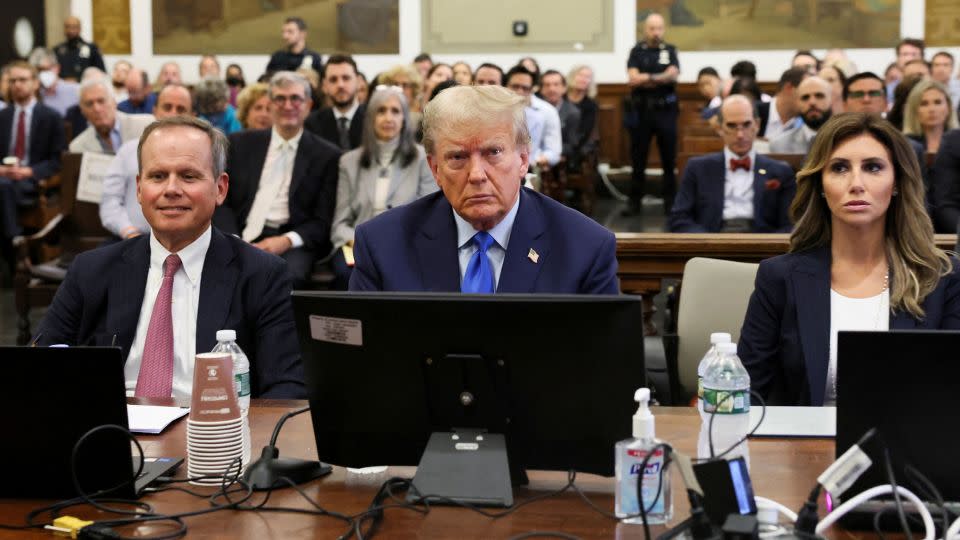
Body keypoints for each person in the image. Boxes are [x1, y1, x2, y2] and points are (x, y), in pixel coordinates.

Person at [36, 115, 305, 399]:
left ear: (220, 188)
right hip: (112, 432)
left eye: (188, 176)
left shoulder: (262, 275)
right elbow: (37, 367)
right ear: (139, 189)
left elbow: (286, 391)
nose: (171, 190)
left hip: (213, 435)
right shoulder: (91, 270)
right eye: (158, 176)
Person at [739, 112, 960, 407]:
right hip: (801, 448)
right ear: (820, 183)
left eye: (872, 167)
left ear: (896, 182)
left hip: (907, 448)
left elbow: (950, 396)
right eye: (840, 168)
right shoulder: (779, 277)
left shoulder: (942, 278)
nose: (856, 183)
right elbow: (747, 394)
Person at [348, 85, 618, 294]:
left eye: (493, 152)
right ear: (435, 169)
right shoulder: (383, 244)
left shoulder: (585, 247)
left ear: (523, 160)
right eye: (457, 157)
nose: (476, 175)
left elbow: (605, 361)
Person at [215, 71, 340, 289]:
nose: (287, 105)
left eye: (295, 99)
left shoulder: (327, 155)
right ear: (271, 105)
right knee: (218, 271)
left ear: (308, 105)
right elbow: (221, 201)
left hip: (290, 242)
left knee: (285, 278)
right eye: (280, 98)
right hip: (239, 233)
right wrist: (233, 238)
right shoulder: (240, 144)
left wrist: (285, 241)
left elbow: (322, 221)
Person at [330, 86, 437, 289]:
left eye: (395, 111)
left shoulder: (423, 159)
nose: (388, 118)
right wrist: (360, 241)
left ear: (405, 118)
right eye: (381, 111)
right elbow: (340, 224)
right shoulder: (348, 162)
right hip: (357, 245)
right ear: (370, 118)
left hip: (406, 244)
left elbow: (429, 217)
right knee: (345, 274)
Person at [669, 95, 796, 233]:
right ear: (719, 128)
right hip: (710, 243)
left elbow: (790, 224)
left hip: (763, 247)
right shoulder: (697, 168)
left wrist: (768, 247)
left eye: (746, 124)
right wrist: (706, 243)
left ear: (757, 125)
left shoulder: (781, 171)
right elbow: (679, 218)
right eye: (731, 125)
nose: (740, 134)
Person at [100, 84, 194, 241]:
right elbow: (110, 201)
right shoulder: (129, 151)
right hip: (130, 238)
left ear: (192, 116)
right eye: (167, 107)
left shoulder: (202, 156)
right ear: (155, 111)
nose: (173, 114)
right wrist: (129, 232)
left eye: (181, 109)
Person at [0, 61, 65, 265]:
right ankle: (18, 244)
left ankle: (15, 252)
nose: (17, 85)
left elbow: (58, 160)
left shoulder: (51, 117)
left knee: (4, 187)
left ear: (35, 83)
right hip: (4, 179)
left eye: (22, 80)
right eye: (13, 81)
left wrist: (29, 172)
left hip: (32, 183)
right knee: (3, 186)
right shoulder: (3, 117)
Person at [624, 13, 680, 215]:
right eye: (652, 28)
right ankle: (634, 203)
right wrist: (659, 77)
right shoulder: (636, 51)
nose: (656, 32)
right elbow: (633, 79)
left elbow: (673, 74)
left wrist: (646, 77)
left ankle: (671, 203)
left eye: (659, 28)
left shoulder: (670, 50)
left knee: (668, 159)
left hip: (666, 111)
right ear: (645, 29)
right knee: (638, 159)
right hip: (641, 112)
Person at [69, 77, 153, 154]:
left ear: (114, 102)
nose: (97, 109)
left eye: (101, 101)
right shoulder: (78, 147)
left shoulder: (145, 126)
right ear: (82, 110)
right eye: (89, 104)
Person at [305, 54, 365, 150]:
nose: (340, 85)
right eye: (333, 80)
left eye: (346, 78)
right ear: (324, 85)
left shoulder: (373, 119)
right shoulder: (312, 124)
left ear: (358, 82)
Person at [505, 65, 560, 169]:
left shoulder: (547, 111)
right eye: (515, 86)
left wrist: (533, 161)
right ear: (506, 86)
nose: (519, 91)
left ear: (532, 90)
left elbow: (553, 152)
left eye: (525, 88)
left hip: (531, 168)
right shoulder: (495, 109)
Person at [770, 76, 832, 154]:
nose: (812, 102)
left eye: (819, 96)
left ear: (831, 100)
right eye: (805, 98)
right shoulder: (780, 145)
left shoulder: (847, 140)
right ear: (797, 103)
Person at [903, 79, 957, 155]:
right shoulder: (905, 145)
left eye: (937, 102)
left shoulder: (957, 142)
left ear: (949, 108)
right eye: (924, 104)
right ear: (914, 109)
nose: (932, 109)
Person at [539, 70, 581, 164]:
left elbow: (571, 145)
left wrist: (548, 154)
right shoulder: (534, 110)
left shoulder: (572, 112)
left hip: (559, 160)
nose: (551, 89)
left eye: (556, 84)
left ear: (564, 88)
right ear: (541, 89)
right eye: (547, 85)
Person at [27, 47, 79, 117]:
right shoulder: (32, 94)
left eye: (46, 69)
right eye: (39, 70)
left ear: (57, 68)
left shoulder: (76, 91)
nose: (43, 74)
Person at [757, 67, 807, 140]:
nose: (811, 101)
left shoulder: (807, 121)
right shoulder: (754, 112)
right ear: (789, 88)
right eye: (805, 94)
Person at [53, 16, 105, 82]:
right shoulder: (57, 50)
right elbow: (53, 73)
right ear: (64, 29)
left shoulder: (91, 48)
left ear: (80, 29)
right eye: (67, 27)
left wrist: (78, 79)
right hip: (62, 88)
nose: (70, 30)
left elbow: (101, 72)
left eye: (74, 27)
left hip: (84, 87)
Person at [566, 64, 599, 161]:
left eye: (588, 77)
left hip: (579, 142)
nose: (583, 79)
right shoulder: (561, 98)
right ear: (572, 77)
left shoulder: (591, 104)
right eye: (580, 75)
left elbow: (585, 131)